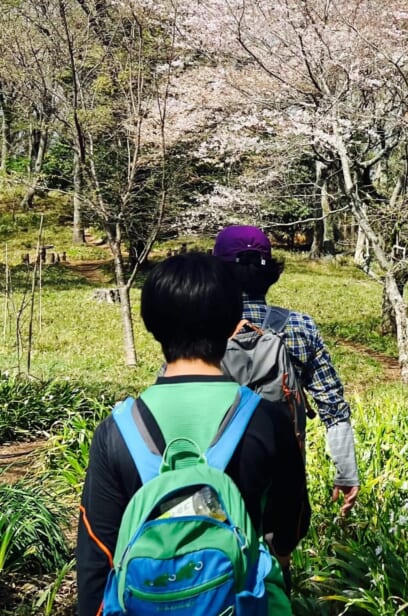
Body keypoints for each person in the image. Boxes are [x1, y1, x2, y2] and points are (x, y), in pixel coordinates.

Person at [76, 252, 309, 616]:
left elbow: (98, 555)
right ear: (233, 322)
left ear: (151, 324)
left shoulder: (116, 432)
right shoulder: (267, 420)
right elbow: (290, 527)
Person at [213, 224, 360, 516]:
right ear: (269, 274)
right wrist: (346, 471)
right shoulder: (299, 326)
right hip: (281, 482)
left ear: (216, 273)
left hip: (214, 483)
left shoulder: (199, 327)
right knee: (280, 541)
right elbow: (332, 404)